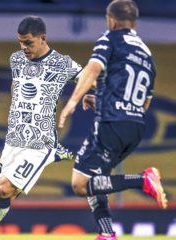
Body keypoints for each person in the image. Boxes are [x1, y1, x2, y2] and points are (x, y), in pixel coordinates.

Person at [58, 1, 167, 239]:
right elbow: (144, 103)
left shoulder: (110, 38)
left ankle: (142, 179)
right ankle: (106, 233)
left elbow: (93, 69)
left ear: (111, 20)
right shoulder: (148, 56)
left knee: (80, 184)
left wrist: (72, 103)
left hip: (112, 124)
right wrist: (99, 100)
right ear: (134, 22)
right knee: (98, 178)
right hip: (135, 128)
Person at [0, 16, 81, 240]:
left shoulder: (62, 63)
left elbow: (91, 77)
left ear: (43, 39)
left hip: (40, 141)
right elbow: (16, 85)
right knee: (4, 193)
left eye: (28, 42)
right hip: (13, 139)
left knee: (4, 189)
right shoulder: (16, 59)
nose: (23, 47)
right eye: (20, 42)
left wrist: (89, 96)